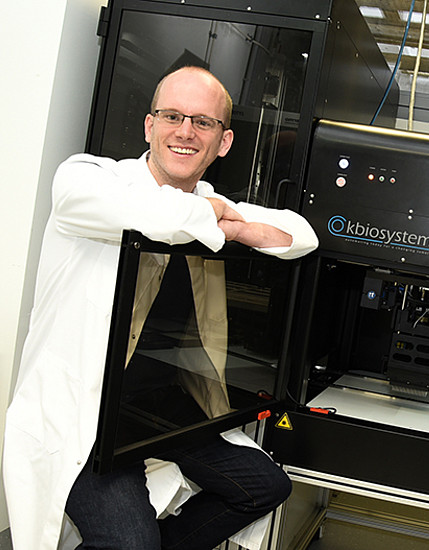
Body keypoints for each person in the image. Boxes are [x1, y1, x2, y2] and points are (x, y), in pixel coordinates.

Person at [3, 66, 319, 550]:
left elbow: (300, 235)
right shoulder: (88, 179)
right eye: (172, 115)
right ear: (149, 126)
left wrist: (230, 225)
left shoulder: (211, 204)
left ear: (225, 141)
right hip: (86, 419)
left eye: (203, 122)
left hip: (157, 409)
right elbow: (153, 215)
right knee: (132, 542)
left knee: (265, 486)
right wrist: (219, 220)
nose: (185, 131)